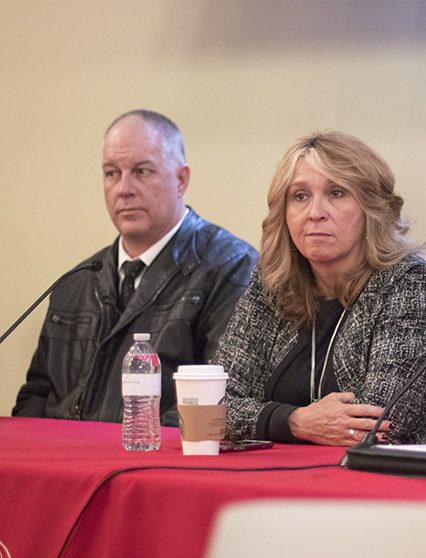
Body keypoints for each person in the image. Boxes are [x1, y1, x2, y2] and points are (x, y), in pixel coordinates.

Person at [217, 131, 426, 446]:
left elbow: (378, 423)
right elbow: (210, 407)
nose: (315, 212)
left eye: (336, 193)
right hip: (291, 481)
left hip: (405, 483)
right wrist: (295, 422)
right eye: (300, 196)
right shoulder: (271, 286)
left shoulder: (408, 282)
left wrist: (266, 419)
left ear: (370, 209)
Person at [13, 109, 257, 425]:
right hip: (67, 466)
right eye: (111, 173)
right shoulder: (76, 281)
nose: (123, 189)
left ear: (181, 179)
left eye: (141, 171)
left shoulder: (230, 267)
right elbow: (36, 397)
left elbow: (219, 401)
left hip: (154, 464)